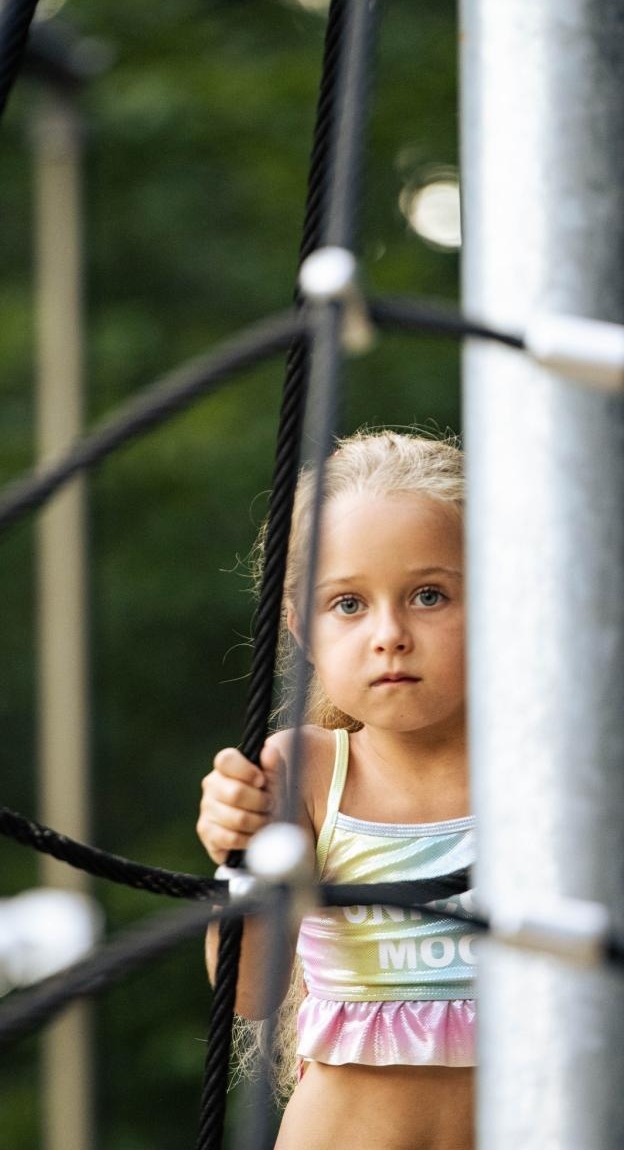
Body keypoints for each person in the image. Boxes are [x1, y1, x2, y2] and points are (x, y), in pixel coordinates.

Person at [196, 430, 475, 1150]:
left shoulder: (555, 777)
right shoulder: (306, 772)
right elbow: (250, 990)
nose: (390, 634)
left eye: (428, 595)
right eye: (348, 604)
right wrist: (241, 849)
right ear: (301, 629)